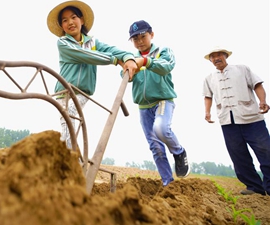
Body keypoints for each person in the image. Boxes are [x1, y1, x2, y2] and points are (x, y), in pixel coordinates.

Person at [46, 0, 137, 149]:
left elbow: (111, 49)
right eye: (65, 20)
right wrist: (114, 60)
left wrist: (128, 58)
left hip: (83, 92)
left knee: (71, 116)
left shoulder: (93, 42)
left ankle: (72, 158)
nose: (70, 22)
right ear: (62, 26)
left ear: (81, 20)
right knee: (68, 117)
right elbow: (85, 55)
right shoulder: (63, 43)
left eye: (74, 17)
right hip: (65, 92)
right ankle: (72, 159)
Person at [124, 20, 190, 186]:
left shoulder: (162, 52)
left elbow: (166, 67)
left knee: (161, 129)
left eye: (143, 36)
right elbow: (125, 77)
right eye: (135, 39)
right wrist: (128, 69)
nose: (139, 41)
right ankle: (168, 182)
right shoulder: (133, 58)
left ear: (151, 35)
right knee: (156, 147)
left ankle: (179, 152)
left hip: (162, 100)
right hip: (143, 107)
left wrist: (146, 62)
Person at [203, 47, 270, 195]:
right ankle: (254, 187)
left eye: (219, 55)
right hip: (228, 121)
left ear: (226, 56)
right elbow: (208, 96)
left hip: (251, 118)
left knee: (265, 150)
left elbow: (257, 84)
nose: (216, 58)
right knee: (238, 155)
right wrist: (207, 112)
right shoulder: (209, 78)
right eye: (212, 57)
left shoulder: (242, 69)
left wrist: (263, 101)